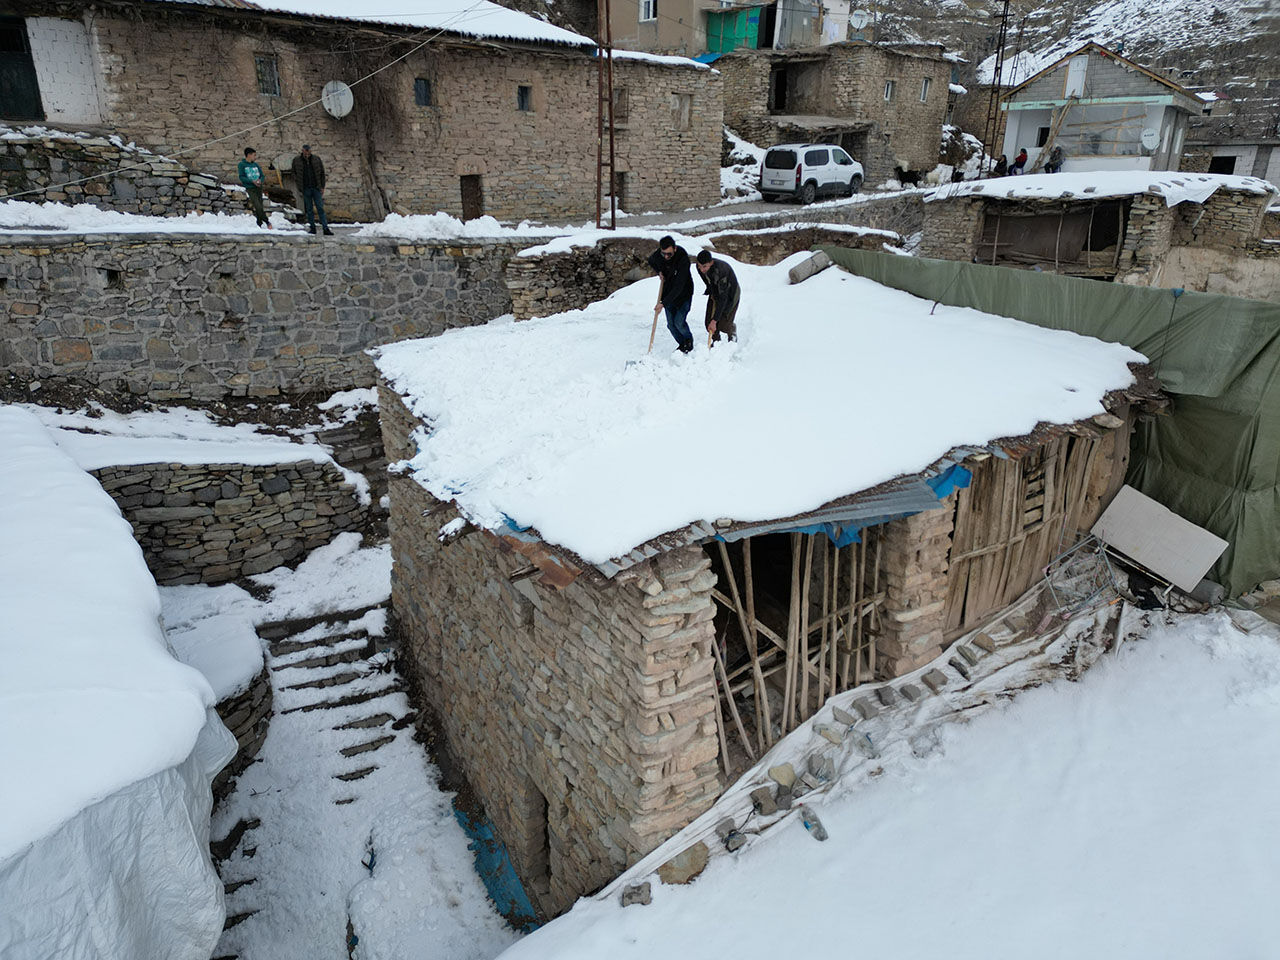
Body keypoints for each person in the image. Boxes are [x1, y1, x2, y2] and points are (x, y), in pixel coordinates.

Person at [647, 235, 695, 353]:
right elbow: (651, 260)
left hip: (683, 293)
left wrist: (663, 303)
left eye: (669, 254)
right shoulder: (661, 253)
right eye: (664, 254)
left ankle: (688, 341)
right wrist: (659, 271)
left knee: (679, 321)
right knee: (671, 325)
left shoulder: (683, 259)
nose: (666, 257)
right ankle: (682, 344)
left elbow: (679, 286)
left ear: (675, 249)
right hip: (668, 292)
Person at [696, 250, 739, 345]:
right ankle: (716, 342)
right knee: (708, 323)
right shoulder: (699, 268)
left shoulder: (721, 271)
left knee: (723, 324)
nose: (702, 269)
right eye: (699, 266)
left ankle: (732, 330)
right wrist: (711, 289)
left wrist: (715, 320)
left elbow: (723, 298)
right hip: (715, 291)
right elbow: (707, 281)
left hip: (730, 294)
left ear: (711, 263)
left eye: (704, 266)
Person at [291, 144, 332, 236]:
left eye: (308, 150)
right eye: (305, 150)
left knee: (320, 208)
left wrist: (322, 186)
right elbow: (293, 172)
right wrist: (298, 182)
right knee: (309, 209)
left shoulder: (316, 159)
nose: (307, 152)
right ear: (302, 151)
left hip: (316, 187)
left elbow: (322, 173)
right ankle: (312, 228)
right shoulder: (297, 160)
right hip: (305, 188)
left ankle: (325, 228)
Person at [237, 147, 271, 229]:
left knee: (260, 205)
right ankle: (267, 222)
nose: (255, 157)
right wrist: (252, 181)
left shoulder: (255, 165)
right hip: (250, 187)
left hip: (258, 187)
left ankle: (259, 223)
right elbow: (242, 177)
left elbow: (262, 175)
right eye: (254, 155)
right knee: (257, 205)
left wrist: (260, 181)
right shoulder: (242, 165)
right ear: (248, 155)